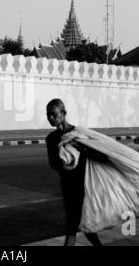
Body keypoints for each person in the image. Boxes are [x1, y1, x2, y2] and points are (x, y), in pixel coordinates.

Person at [45, 98, 102, 246]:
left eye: (53, 114)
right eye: (48, 115)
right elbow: (53, 163)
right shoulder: (51, 139)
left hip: (84, 186)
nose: (50, 118)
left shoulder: (79, 134)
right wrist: (64, 153)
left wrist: (80, 148)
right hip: (68, 186)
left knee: (75, 224)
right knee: (80, 223)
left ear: (64, 113)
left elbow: (99, 156)